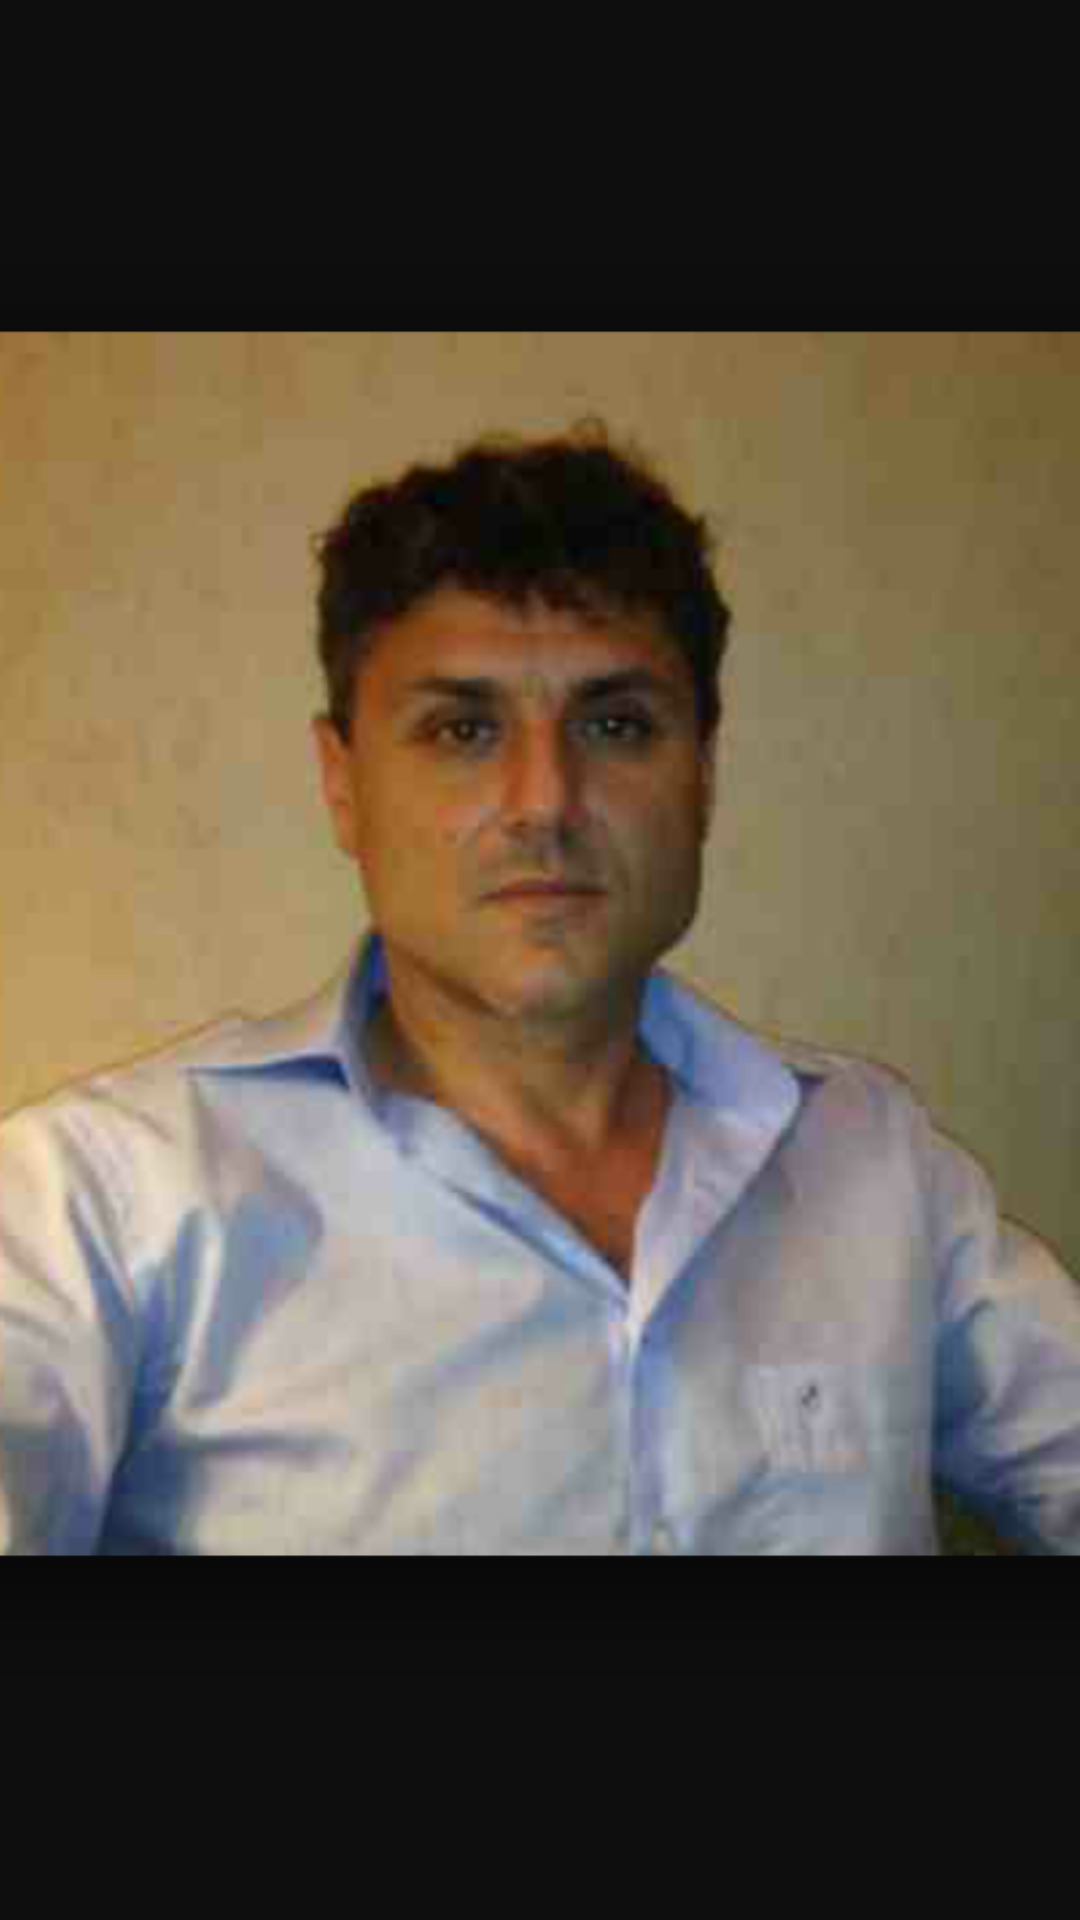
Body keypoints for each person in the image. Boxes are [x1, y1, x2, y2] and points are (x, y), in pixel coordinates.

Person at [2, 426, 1079, 1556]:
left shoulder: (875, 1162)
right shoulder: (104, 1206)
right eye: (462, 730)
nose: (545, 801)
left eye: (616, 726)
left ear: (704, 777)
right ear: (342, 784)